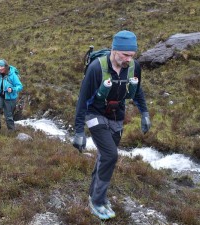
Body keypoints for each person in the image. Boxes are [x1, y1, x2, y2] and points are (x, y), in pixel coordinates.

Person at [73, 30, 151, 220]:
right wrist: (78, 132)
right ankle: (98, 201)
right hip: (95, 113)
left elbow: (137, 91)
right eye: (125, 55)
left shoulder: (134, 67)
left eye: (132, 55)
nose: (128, 59)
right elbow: (82, 101)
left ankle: (94, 194)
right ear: (114, 50)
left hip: (117, 116)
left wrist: (145, 113)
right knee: (110, 155)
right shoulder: (96, 68)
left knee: (104, 157)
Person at [0, 59, 23, 132]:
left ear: (6, 67)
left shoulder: (13, 75)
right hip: (0, 95)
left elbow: (20, 86)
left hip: (10, 97)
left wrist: (12, 89)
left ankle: (11, 130)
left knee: (8, 115)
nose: (0, 68)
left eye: (2, 66)